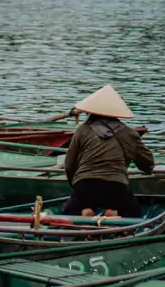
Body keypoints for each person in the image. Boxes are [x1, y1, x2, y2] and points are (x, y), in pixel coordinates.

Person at [63, 84, 154, 217]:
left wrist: (76, 185)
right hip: (116, 185)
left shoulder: (82, 130)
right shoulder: (129, 133)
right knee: (133, 212)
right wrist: (147, 169)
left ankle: (85, 212)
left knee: (70, 210)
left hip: (85, 184)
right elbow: (147, 162)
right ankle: (114, 214)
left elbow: (69, 164)